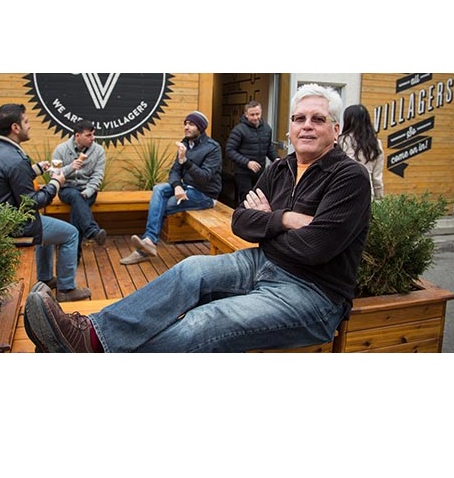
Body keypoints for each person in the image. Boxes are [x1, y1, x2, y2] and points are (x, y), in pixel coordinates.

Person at [24, 84, 371, 352]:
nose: (306, 126)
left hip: (313, 294)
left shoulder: (349, 177)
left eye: (318, 119)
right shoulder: (280, 168)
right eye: (299, 119)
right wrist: (284, 219)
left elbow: (316, 249)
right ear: (290, 127)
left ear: (336, 130)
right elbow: (240, 222)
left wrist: (265, 222)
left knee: (207, 320)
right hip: (262, 261)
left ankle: (98, 354)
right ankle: (91, 336)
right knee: (190, 270)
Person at [0, 103, 91, 302]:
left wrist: (36, 169)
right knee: (71, 233)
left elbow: (10, 178)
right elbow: (32, 203)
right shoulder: (15, 158)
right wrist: (55, 182)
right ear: (15, 127)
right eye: (26, 121)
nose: (29, 126)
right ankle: (66, 289)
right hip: (14, 224)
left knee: (46, 225)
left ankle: (46, 279)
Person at [119, 110, 222, 265]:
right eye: (185, 123)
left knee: (161, 206)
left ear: (201, 127)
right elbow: (174, 170)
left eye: (191, 124)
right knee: (158, 189)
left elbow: (205, 177)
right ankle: (149, 241)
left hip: (204, 194)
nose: (187, 127)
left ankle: (145, 247)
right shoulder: (185, 143)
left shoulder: (213, 148)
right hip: (186, 188)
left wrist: (185, 160)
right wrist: (177, 187)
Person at [50, 120, 107, 247]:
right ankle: (92, 230)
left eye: (93, 134)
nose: (92, 138)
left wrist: (88, 192)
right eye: (88, 135)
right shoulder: (60, 149)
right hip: (67, 190)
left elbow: (98, 175)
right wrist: (71, 167)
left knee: (77, 210)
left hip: (87, 190)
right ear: (77, 136)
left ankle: (75, 255)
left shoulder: (98, 151)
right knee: (76, 196)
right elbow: (53, 174)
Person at [225, 100, 278, 202]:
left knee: (260, 199)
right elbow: (230, 150)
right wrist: (247, 163)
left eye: (257, 114)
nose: (255, 117)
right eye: (252, 114)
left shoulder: (267, 128)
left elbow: (268, 147)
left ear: (261, 112)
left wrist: (276, 159)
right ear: (246, 115)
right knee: (246, 200)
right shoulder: (239, 130)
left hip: (260, 172)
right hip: (243, 173)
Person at [338, 104, 384, 200]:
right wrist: (379, 200)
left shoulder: (341, 141)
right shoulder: (376, 144)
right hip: (367, 192)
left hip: (342, 189)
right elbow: (377, 178)